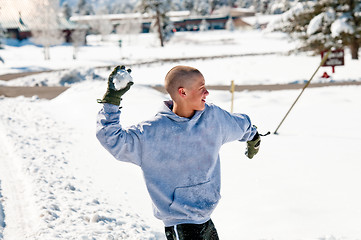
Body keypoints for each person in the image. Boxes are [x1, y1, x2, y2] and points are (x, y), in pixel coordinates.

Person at [96, 65, 261, 240]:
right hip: (179, 224)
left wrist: (253, 136)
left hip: (205, 218)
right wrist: (112, 101)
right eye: (201, 88)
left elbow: (239, 124)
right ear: (183, 92)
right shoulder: (151, 133)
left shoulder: (213, 118)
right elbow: (112, 139)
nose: (207, 93)